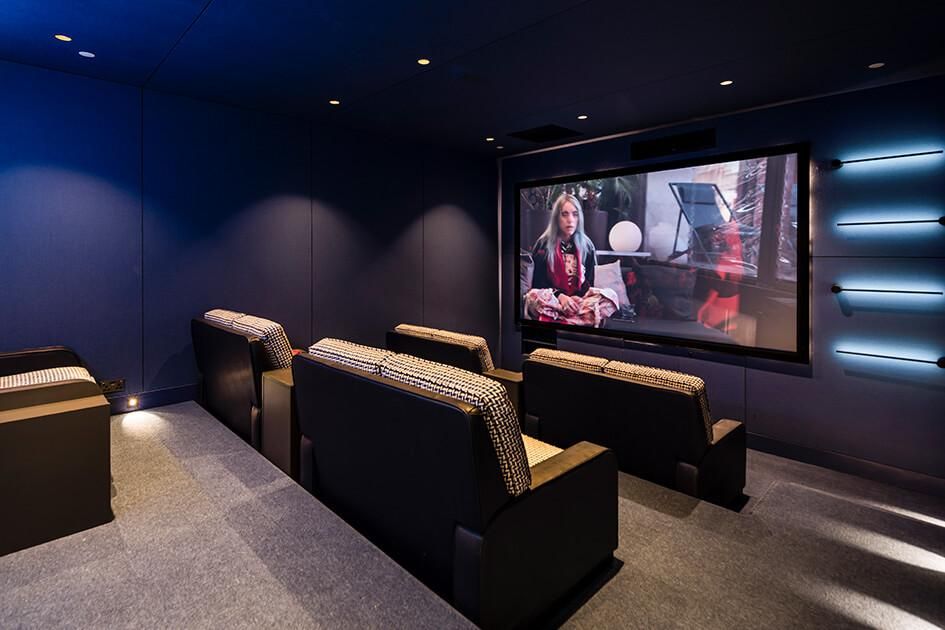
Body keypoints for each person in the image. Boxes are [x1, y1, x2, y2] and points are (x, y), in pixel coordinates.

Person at [524, 193, 617, 326]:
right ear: (556, 218)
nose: (570, 220)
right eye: (564, 214)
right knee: (533, 296)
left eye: (575, 214)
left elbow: (590, 282)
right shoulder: (543, 244)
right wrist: (560, 296)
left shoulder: (587, 245)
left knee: (610, 296)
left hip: (578, 302)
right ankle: (576, 320)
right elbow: (537, 283)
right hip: (553, 301)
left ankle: (563, 319)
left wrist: (577, 298)